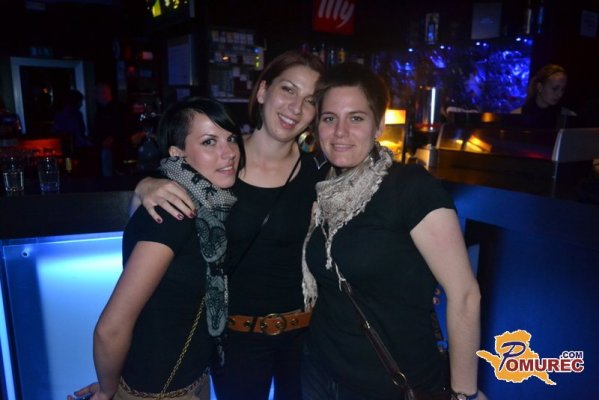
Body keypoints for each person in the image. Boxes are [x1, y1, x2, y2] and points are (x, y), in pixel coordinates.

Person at [132, 50, 327, 400]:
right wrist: (145, 185)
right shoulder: (221, 162)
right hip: (235, 341)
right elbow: (154, 203)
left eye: (310, 100)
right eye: (288, 89)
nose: (296, 108)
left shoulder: (321, 173)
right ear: (263, 91)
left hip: (306, 339)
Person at [300, 62, 487, 400]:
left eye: (356, 118)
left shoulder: (410, 188)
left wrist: (464, 393)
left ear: (379, 125)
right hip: (319, 373)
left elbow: (464, 294)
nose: (340, 132)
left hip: (391, 384)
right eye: (329, 118)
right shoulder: (321, 188)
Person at [67, 97, 243, 400]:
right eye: (209, 142)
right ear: (178, 153)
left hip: (189, 380)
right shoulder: (173, 214)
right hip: (160, 391)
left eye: (231, 139)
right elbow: (110, 328)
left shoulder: (208, 205)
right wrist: (108, 390)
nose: (228, 153)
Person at [511, 64, 575, 129]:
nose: (560, 94)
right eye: (555, 88)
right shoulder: (517, 115)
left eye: (562, 89)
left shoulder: (568, 117)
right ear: (540, 87)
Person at [91, 82, 129, 176]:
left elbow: (123, 128)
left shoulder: (118, 109)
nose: (95, 96)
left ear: (104, 93)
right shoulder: (101, 110)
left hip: (116, 149)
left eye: (97, 93)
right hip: (107, 148)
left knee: (113, 175)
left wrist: (112, 138)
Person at [52, 89, 89, 154]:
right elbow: (77, 133)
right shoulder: (74, 115)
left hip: (67, 147)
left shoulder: (60, 114)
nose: (81, 104)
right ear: (75, 102)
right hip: (73, 147)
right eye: (80, 102)